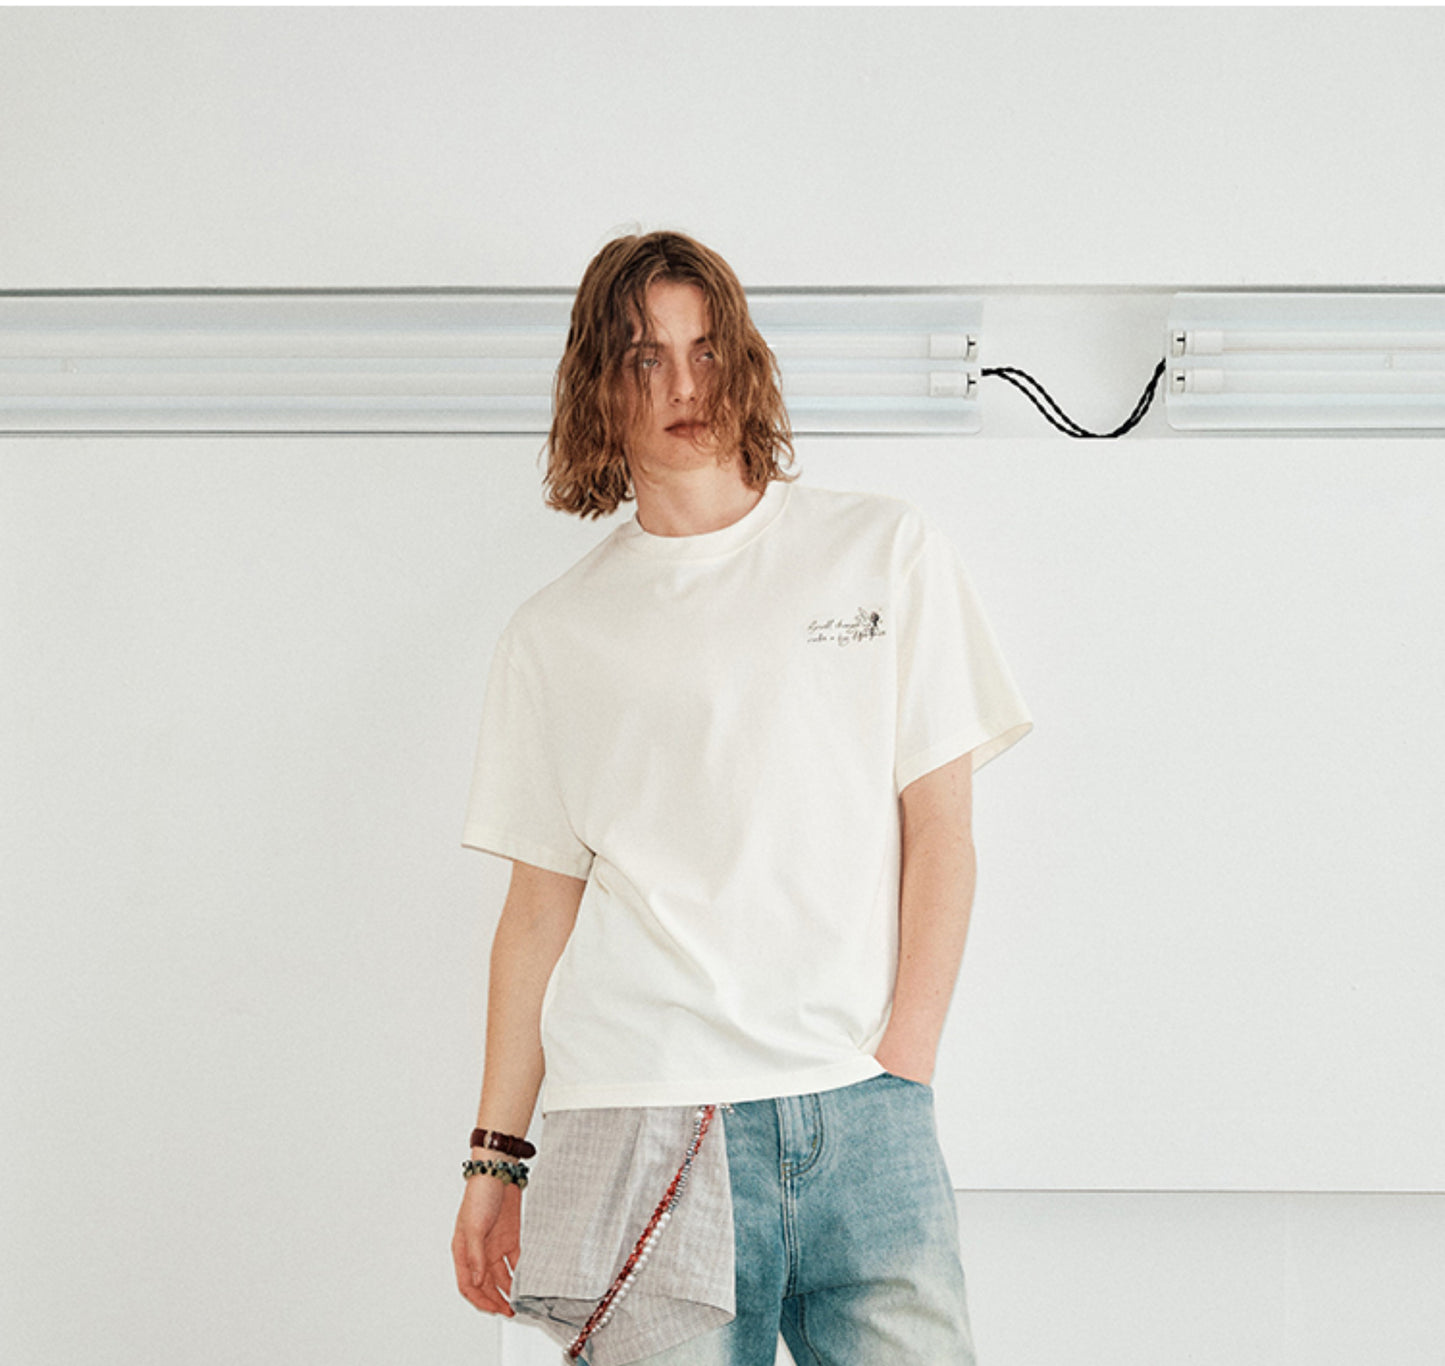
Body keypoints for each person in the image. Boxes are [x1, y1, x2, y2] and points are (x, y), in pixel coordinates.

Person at [451, 230, 1032, 1366]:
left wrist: (903, 1063)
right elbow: (536, 912)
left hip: (860, 1104)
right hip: (635, 1113)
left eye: (706, 349)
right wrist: (493, 1159)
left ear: (745, 362)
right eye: (644, 356)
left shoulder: (882, 551)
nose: (683, 383)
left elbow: (941, 831)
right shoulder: (554, 632)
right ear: (597, 385)